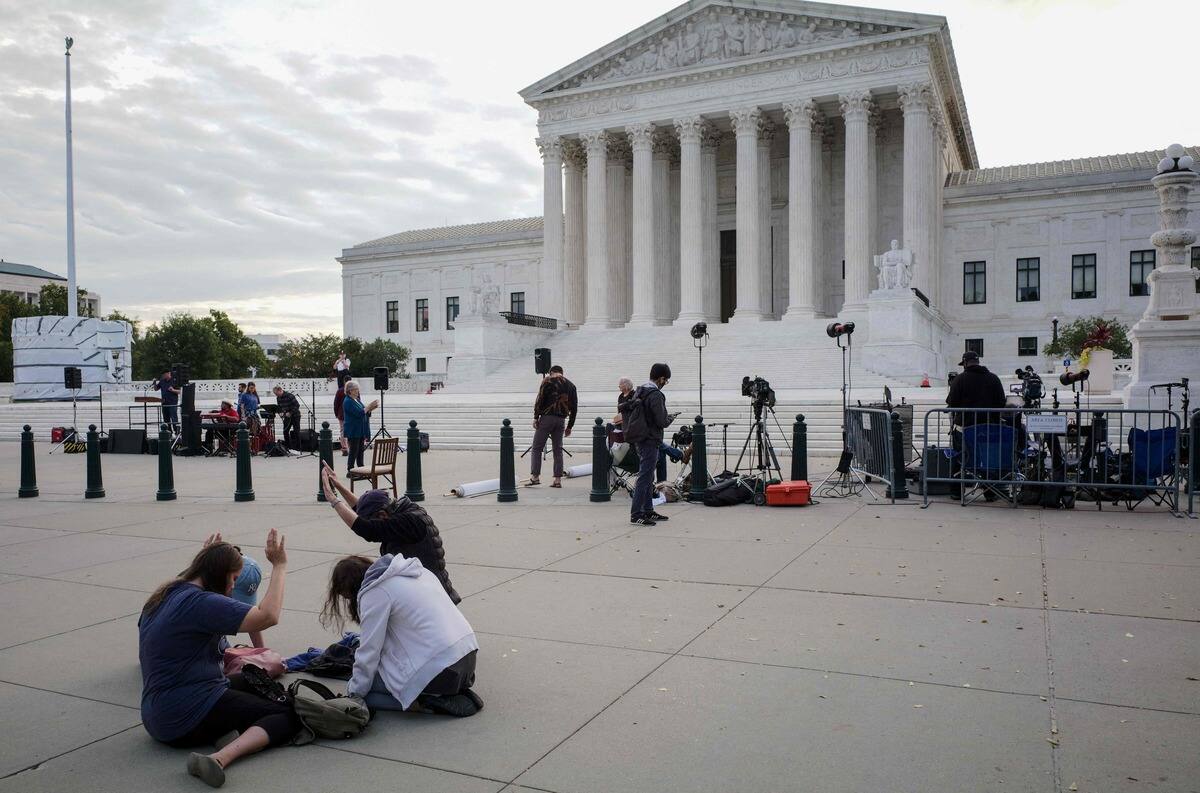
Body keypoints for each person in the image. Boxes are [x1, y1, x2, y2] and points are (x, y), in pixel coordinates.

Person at [138, 530, 296, 789]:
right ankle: (219, 758)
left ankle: (226, 733)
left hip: (158, 711)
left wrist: (209, 557)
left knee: (256, 679)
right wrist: (280, 565)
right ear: (217, 573)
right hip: (184, 715)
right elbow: (268, 616)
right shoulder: (201, 604)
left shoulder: (166, 593)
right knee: (286, 713)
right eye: (233, 578)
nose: (233, 586)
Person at [321, 554, 483, 717]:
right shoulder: (419, 572)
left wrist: (354, 692)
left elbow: (370, 651)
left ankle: (426, 703)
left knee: (363, 691)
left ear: (350, 588)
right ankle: (443, 693)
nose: (349, 601)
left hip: (441, 671)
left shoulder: (375, 593)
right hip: (467, 660)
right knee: (377, 677)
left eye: (346, 596)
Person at [321, 464, 460, 603]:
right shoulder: (401, 511)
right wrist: (338, 485)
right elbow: (361, 512)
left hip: (433, 600)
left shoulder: (408, 522)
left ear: (382, 515)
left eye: (375, 521)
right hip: (427, 594)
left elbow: (368, 529)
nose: (376, 524)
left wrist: (333, 500)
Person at [946, 350, 1009, 501]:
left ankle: (956, 491)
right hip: (989, 428)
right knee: (988, 460)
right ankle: (990, 492)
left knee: (959, 457)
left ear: (966, 363)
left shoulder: (960, 379)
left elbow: (951, 402)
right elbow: (1001, 402)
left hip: (966, 428)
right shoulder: (993, 378)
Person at [619, 363, 675, 526]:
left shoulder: (641, 390)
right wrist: (669, 419)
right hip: (650, 438)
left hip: (639, 437)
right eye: (666, 380)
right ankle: (636, 513)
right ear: (661, 378)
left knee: (648, 475)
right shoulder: (655, 394)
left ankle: (648, 510)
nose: (665, 383)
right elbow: (661, 420)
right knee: (645, 476)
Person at [614, 377, 683, 483]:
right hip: (632, 433)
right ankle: (679, 455)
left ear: (626, 386)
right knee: (657, 447)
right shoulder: (622, 397)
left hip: (637, 427)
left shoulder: (634, 394)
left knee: (660, 450)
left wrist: (625, 408)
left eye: (620, 384)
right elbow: (621, 409)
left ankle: (661, 483)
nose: (618, 386)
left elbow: (632, 410)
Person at [530, 365, 578, 487]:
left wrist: (536, 417)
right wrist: (570, 426)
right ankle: (557, 480)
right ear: (562, 373)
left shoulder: (547, 380)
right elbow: (574, 408)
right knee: (558, 449)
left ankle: (535, 477)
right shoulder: (571, 385)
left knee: (537, 448)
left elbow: (539, 400)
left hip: (547, 418)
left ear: (551, 372)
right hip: (561, 420)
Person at [341, 379, 378, 475]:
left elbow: (364, 411)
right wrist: (369, 407)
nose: (358, 391)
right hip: (353, 430)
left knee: (360, 450)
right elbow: (359, 413)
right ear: (350, 391)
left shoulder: (356, 400)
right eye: (355, 389)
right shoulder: (348, 401)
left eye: (357, 389)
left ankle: (361, 468)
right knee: (354, 450)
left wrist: (370, 409)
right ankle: (350, 470)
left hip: (360, 429)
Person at [272, 385, 301, 450]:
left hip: (295, 415)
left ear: (280, 390)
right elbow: (280, 407)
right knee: (285, 431)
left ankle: (298, 448)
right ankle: (288, 447)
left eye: (276, 393)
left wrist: (290, 413)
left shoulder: (290, 396)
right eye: (275, 394)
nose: (276, 395)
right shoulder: (278, 398)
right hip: (287, 416)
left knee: (296, 431)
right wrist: (280, 413)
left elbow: (297, 405)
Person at [333, 378, 348, 456]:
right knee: (350, 430)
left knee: (342, 431)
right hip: (350, 414)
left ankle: (345, 448)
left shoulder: (340, 391)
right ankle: (349, 447)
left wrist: (336, 413)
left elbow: (336, 403)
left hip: (341, 414)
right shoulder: (355, 390)